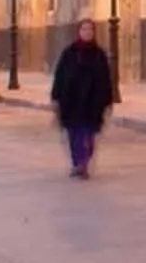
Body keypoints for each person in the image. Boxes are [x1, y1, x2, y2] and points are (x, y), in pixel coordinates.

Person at [49, 20, 115, 179]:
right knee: (74, 135)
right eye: (84, 29)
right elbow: (60, 75)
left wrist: (108, 99)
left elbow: (106, 79)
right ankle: (79, 163)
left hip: (92, 102)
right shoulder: (69, 53)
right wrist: (56, 96)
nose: (87, 32)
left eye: (90, 29)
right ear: (79, 32)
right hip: (71, 101)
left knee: (88, 136)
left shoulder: (99, 54)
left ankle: (83, 162)